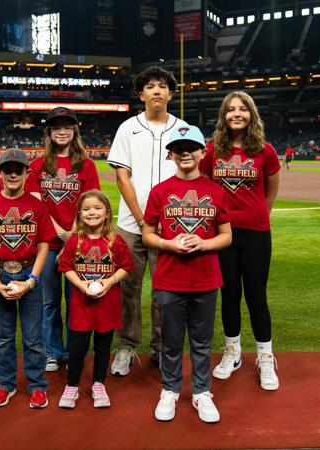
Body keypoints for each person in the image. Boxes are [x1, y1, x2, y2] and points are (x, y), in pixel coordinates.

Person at [142, 125, 231, 423]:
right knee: (171, 339)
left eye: (191, 147)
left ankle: (201, 391)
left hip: (205, 278)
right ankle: (170, 389)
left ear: (202, 152)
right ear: (170, 154)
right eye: (178, 148)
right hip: (170, 277)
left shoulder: (216, 191)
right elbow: (147, 235)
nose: (185, 152)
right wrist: (169, 243)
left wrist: (204, 243)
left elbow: (226, 235)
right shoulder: (160, 191)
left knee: (202, 340)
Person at [107, 66, 187, 376]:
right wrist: (142, 220)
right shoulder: (128, 127)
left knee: (164, 291)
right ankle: (126, 347)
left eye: (162, 86)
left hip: (170, 226)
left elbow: (188, 175)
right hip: (130, 224)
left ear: (170, 93)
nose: (156, 90)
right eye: (150, 86)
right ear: (141, 95)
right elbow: (121, 175)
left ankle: (161, 347)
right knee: (128, 288)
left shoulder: (183, 130)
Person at [199, 91, 281, 391]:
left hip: (256, 232)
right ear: (223, 116)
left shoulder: (265, 150)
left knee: (256, 295)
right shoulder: (212, 151)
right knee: (229, 294)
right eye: (230, 109)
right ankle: (232, 351)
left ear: (251, 114)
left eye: (242, 109)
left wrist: (260, 214)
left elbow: (271, 188)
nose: (236, 114)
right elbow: (205, 187)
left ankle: (265, 356)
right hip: (223, 234)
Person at [0, 149, 55, 408]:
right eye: (8, 170)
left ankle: (37, 384)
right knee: (4, 336)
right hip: (1, 273)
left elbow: (43, 246)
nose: (14, 174)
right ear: (0, 173)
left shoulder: (36, 205)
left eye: (19, 170)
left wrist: (31, 281)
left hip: (29, 273)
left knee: (32, 337)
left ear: (28, 173)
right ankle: (5, 384)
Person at [24, 106, 100, 372]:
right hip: (46, 243)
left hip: (78, 243)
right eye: (56, 127)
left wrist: (74, 235)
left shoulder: (86, 165)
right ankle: (52, 352)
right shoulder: (37, 166)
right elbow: (36, 205)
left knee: (77, 300)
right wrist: (60, 232)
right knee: (50, 302)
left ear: (74, 130)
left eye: (66, 127)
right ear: (49, 132)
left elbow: (92, 204)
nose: (62, 131)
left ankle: (73, 352)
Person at [57, 191, 134, 409]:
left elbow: (126, 267)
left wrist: (108, 282)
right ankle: (71, 385)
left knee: (102, 347)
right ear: (80, 215)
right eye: (87, 209)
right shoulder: (74, 241)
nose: (92, 212)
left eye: (98, 208)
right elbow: (66, 268)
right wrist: (82, 286)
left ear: (108, 213)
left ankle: (99, 383)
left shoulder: (115, 241)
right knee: (77, 348)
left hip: (107, 305)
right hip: (82, 305)